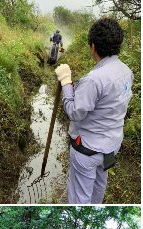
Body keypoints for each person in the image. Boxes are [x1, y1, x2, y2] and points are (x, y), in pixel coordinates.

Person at [55, 18, 133, 204]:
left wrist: (66, 82)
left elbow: (75, 112)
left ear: (93, 46)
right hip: (111, 148)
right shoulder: (126, 71)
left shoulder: (94, 80)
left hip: (87, 151)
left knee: (80, 198)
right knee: (99, 187)